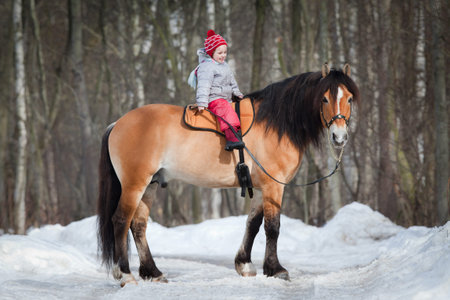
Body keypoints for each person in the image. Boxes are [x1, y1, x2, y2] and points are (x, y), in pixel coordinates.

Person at [188, 29, 245, 151]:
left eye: (225, 52)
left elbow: (232, 82)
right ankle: (231, 138)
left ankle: (241, 131)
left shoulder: (225, 65)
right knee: (224, 110)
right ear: (211, 53)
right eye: (220, 53)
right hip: (214, 99)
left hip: (226, 98)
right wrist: (202, 102)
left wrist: (237, 93)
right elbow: (204, 85)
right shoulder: (207, 67)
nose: (223, 55)